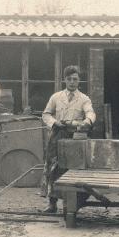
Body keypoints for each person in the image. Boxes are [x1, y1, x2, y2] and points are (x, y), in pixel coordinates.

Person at [40, 65, 96, 213]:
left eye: (75, 79)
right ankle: (52, 204)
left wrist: (86, 122)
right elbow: (45, 114)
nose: (72, 82)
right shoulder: (56, 97)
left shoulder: (84, 98)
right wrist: (54, 122)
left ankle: (70, 205)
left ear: (79, 81)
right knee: (53, 168)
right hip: (57, 136)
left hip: (75, 138)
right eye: (69, 79)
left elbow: (91, 113)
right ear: (64, 80)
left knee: (72, 170)